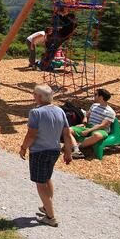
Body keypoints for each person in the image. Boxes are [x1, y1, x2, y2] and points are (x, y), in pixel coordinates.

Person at [19, 85, 74, 227]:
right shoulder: (60, 110)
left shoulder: (35, 112)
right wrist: (68, 151)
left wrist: (23, 147)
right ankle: (46, 206)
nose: (33, 96)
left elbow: (32, 134)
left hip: (39, 151)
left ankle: (50, 217)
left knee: (40, 182)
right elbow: (67, 134)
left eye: (35, 94)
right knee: (47, 177)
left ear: (40, 97)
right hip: (54, 150)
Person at [72, 88, 116, 158]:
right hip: (88, 126)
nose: (93, 96)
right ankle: (76, 149)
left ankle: (78, 147)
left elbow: (102, 126)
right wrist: (84, 121)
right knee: (68, 130)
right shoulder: (94, 105)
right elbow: (87, 115)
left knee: (97, 135)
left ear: (101, 97)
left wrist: (88, 131)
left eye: (95, 95)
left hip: (101, 130)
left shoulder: (110, 112)